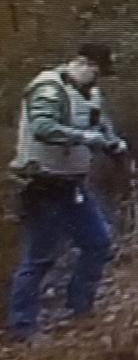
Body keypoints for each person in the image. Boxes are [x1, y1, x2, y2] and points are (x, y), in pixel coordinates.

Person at [7, 42, 126, 340]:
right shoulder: (48, 88)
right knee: (40, 256)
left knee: (98, 242)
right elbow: (43, 127)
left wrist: (113, 143)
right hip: (40, 184)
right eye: (96, 71)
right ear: (82, 63)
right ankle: (22, 327)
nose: (98, 79)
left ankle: (80, 309)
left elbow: (101, 124)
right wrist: (84, 137)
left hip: (72, 184)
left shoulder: (90, 93)